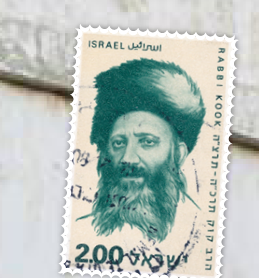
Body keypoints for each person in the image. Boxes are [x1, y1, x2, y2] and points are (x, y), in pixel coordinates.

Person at [79, 58, 205, 243]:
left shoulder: (196, 230)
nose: (128, 158)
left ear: (178, 154)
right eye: (118, 143)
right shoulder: (81, 228)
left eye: (147, 142)